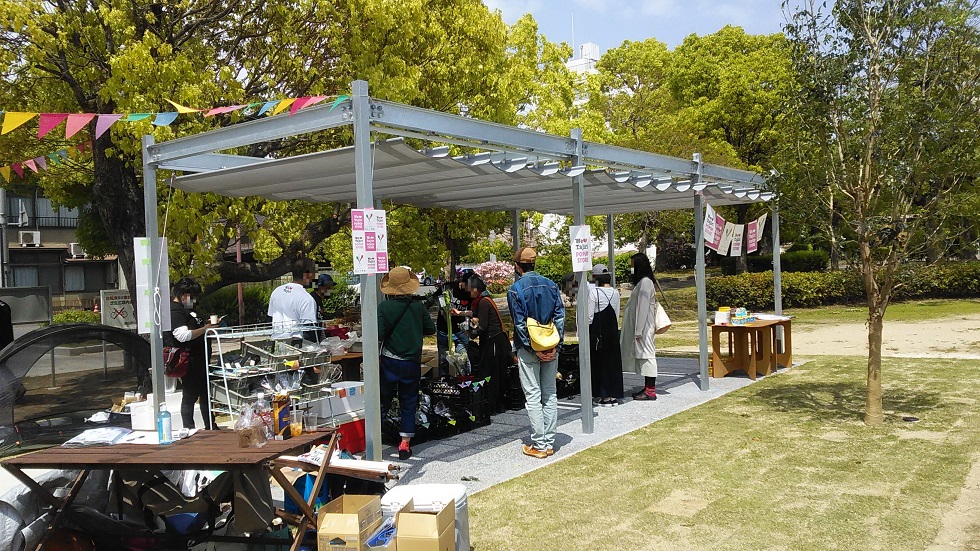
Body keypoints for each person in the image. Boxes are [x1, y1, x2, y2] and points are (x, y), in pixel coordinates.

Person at [507, 247, 565, 459]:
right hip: (551, 344)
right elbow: (559, 317)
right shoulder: (551, 285)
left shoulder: (515, 290)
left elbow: (519, 324)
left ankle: (539, 444)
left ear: (517, 266)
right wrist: (555, 346)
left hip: (529, 348)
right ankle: (549, 443)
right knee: (550, 394)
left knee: (533, 395)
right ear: (534, 264)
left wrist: (533, 348)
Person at [378, 267, 436, 460]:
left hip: (390, 361)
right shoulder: (418, 307)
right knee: (409, 402)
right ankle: (405, 443)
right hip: (412, 362)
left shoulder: (384, 308)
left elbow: (378, 334)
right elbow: (430, 329)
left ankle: (374, 438)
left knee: (383, 399)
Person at [164, 277, 219, 430]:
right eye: (191, 296)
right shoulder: (175, 311)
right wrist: (205, 328)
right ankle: (188, 427)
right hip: (188, 359)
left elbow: (195, 324)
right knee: (190, 395)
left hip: (201, 358)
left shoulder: (189, 309)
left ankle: (211, 425)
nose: (194, 299)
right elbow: (181, 335)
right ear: (182, 294)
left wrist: (207, 324)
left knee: (206, 394)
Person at [620, 253, 665, 401]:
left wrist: (638, 330)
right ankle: (648, 388)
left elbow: (643, 308)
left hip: (644, 327)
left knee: (647, 355)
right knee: (644, 355)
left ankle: (650, 391)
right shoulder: (643, 282)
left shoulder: (645, 283)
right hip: (641, 327)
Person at [467, 275, 512, 414]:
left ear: (475, 289)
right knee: (497, 374)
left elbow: (484, 326)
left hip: (493, 341)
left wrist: (471, 334)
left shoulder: (483, 302)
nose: (469, 293)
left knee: (490, 374)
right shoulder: (486, 300)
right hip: (497, 341)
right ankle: (498, 405)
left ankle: (493, 406)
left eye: (470, 290)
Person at [587, 264, 624, 406]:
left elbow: (590, 316)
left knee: (599, 362)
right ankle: (613, 394)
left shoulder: (594, 293)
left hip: (598, 332)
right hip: (612, 331)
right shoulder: (615, 292)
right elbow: (616, 313)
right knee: (613, 363)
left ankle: (600, 394)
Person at [268, 258, 318, 342]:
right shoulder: (306, 298)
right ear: (307, 274)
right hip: (296, 346)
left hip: (276, 343)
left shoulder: (277, 291)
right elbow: (309, 330)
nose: (315, 278)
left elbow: (270, 319)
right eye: (314, 274)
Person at [433, 272, 472, 375]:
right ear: (463, 282)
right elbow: (432, 299)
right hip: (444, 329)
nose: (470, 290)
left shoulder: (471, 293)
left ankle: (465, 381)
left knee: (463, 359)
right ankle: (444, 380)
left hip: (460, 330)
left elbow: (473, 311)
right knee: (443, 359)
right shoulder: (448, 288)